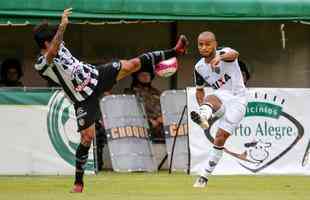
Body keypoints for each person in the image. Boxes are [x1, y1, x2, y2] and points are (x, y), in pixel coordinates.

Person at [33, 8, 188, 193]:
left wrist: (60, 30)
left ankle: (175, 51)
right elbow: (51, 53)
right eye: (54, 39)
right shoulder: (42, 63)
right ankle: (78, 183)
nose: (59, 41)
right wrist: (62, 26)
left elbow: (58, 45)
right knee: (86, 138)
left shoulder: (59, 44)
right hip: (83, 99)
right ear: (46, 42)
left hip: (96, 75)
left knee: (133, 64)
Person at [190, 31, 248, 188]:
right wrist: (202, 107)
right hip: (221, 98)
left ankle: (204, 176)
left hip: (238, 100)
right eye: (200, 44)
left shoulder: (224, 52)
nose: (204, 47)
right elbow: (199, 90)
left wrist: (219, 57)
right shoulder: (199, 67)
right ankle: (203, 117)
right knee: (211, 97)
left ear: (215, 44)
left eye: (208, 44)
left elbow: (234, 53)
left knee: (220, 138)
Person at [124, 68, 164, 143]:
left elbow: (166, 108)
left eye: (148, 75)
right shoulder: (130, 93)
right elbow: (131, 112)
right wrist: (150, 121)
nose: (145, 77)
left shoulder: (157, 92)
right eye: (142, 75)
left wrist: (162, 118)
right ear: (137, 76)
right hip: (141, 133)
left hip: (160, 134)